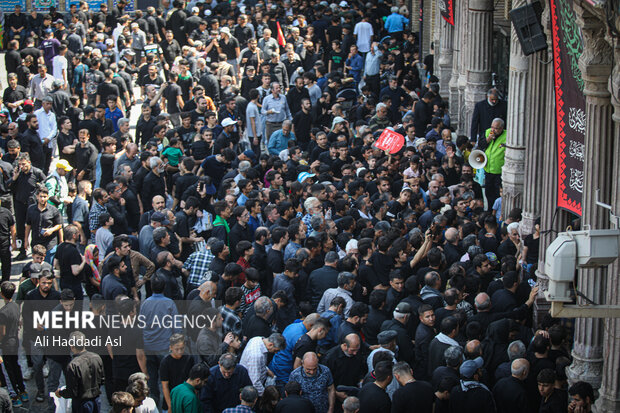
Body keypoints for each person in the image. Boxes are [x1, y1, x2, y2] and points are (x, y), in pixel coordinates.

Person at [55, 331, 104, 412]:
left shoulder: (73, 365)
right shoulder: (97, 357)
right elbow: (102, 380)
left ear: (72, 346)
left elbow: (71, 391)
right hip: (96, 400)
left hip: (81, 404)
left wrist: (60, 393)